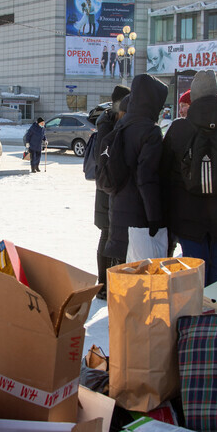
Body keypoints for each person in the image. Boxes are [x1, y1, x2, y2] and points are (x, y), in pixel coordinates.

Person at [161, 71, 217, 286]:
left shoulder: (179, 128)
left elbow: (164, 170)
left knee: (192, 264)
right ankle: (215, 310)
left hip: (187, 212)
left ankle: (194, 310)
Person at [108, 74, 168, 263]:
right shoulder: (150, 131)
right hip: (139, 211)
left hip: (117, 206)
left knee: (122, 274)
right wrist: (155, 217)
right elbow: (146, 177)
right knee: (140, 277)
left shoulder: (122, 124)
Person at [92, 84, 131, 299]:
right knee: (107, 233)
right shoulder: (108, 126)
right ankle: (103, 284)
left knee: (109, 234)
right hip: (107, 186)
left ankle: (106, 283)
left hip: (108, 186)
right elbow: (104, 157)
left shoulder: (108, 122)